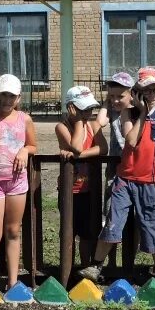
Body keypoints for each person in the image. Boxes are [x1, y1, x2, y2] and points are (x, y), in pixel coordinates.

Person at [79, 67, 155, 284]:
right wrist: (143, 114)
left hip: (152, 182)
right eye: (146, 90)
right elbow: (131, 141)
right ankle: (96, 265)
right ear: (137, 92)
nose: (151, 95)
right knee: (113, 222)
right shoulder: (128, 114)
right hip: (125, 180)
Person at [0, 74, 37, 290]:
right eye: (4, 95)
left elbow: (33, 145)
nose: (8, 100)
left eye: (12, 96)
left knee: (13, 231)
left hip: (16, 181)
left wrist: (24, 150)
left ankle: (13, 282)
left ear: (18, 97)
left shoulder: (25, 119)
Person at [56, 85, 103, 266]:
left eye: (91, 108)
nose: (89, 112)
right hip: (70, 190)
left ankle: (85, 266)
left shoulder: (92, 126)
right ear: (71, 108)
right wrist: (77, 122)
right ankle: (67, 268)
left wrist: (80, 156)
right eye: (84, 109)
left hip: (88, 189)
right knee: (69, 231)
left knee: (87, 232)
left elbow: (103, 148)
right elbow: (75, 146)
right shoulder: (62, 127)